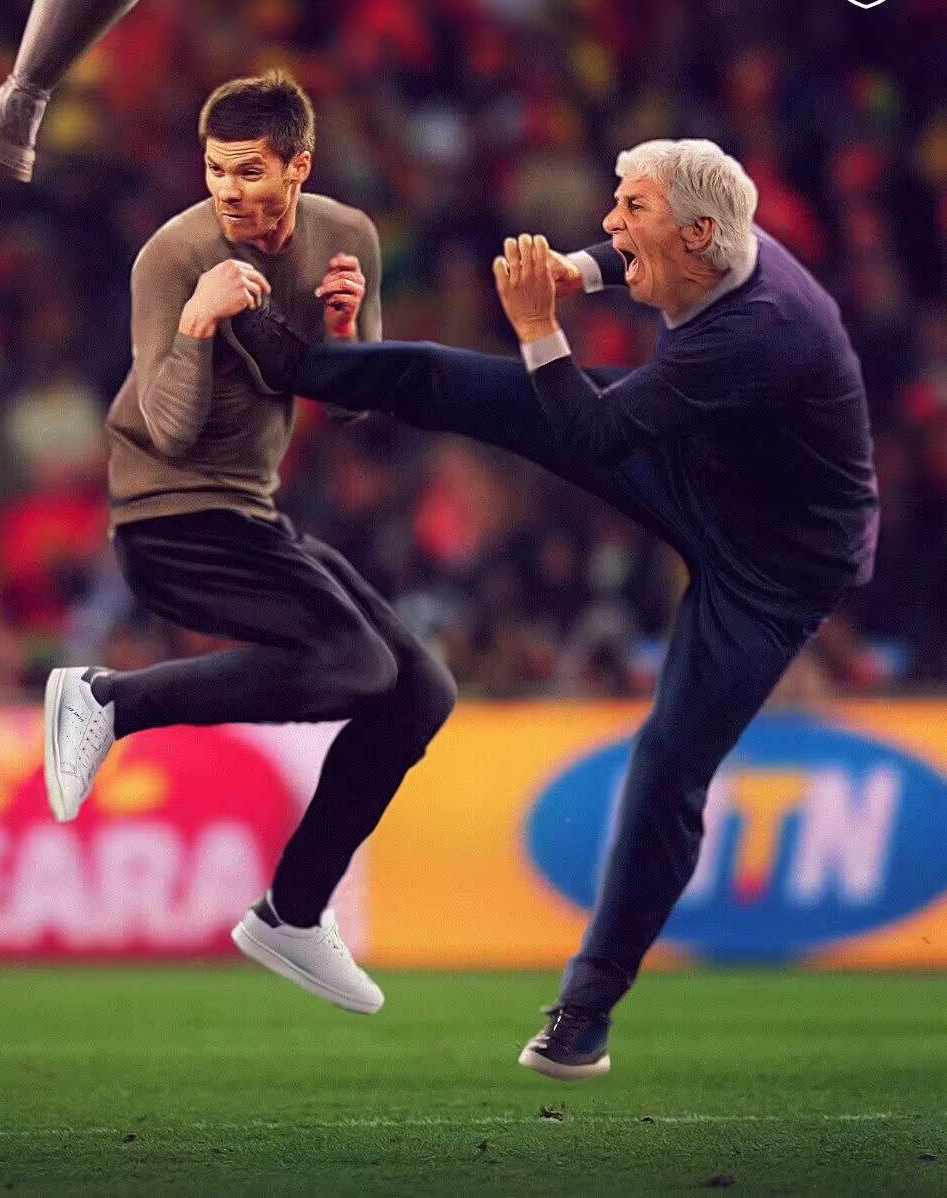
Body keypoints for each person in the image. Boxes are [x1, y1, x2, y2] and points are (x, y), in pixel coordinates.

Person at [225, 138, 879, 1079]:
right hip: (702, 466)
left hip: (774, 569)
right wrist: (581, 268)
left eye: (632, 209)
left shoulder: (757, 331)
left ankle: (587, 1012)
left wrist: (539, 322)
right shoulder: (726, 247)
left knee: (668, 768)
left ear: (699, 235)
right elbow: (631, 285)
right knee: (451, 378)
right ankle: (289, 364)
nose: (611, 222)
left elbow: (594, 436)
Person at [42, 69, 457, 1015]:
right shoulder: (173, 255)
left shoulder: (345, 235)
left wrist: (344, 330)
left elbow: (351, 404)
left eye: (249, 171)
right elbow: (169, 430)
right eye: (215, 170)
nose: (227, 190)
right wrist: (198, 323)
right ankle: (106, 700)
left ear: (298, 167)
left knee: (420, 691)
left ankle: (293, 913)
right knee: (356, 664)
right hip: (166, 518)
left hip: (249, 515)